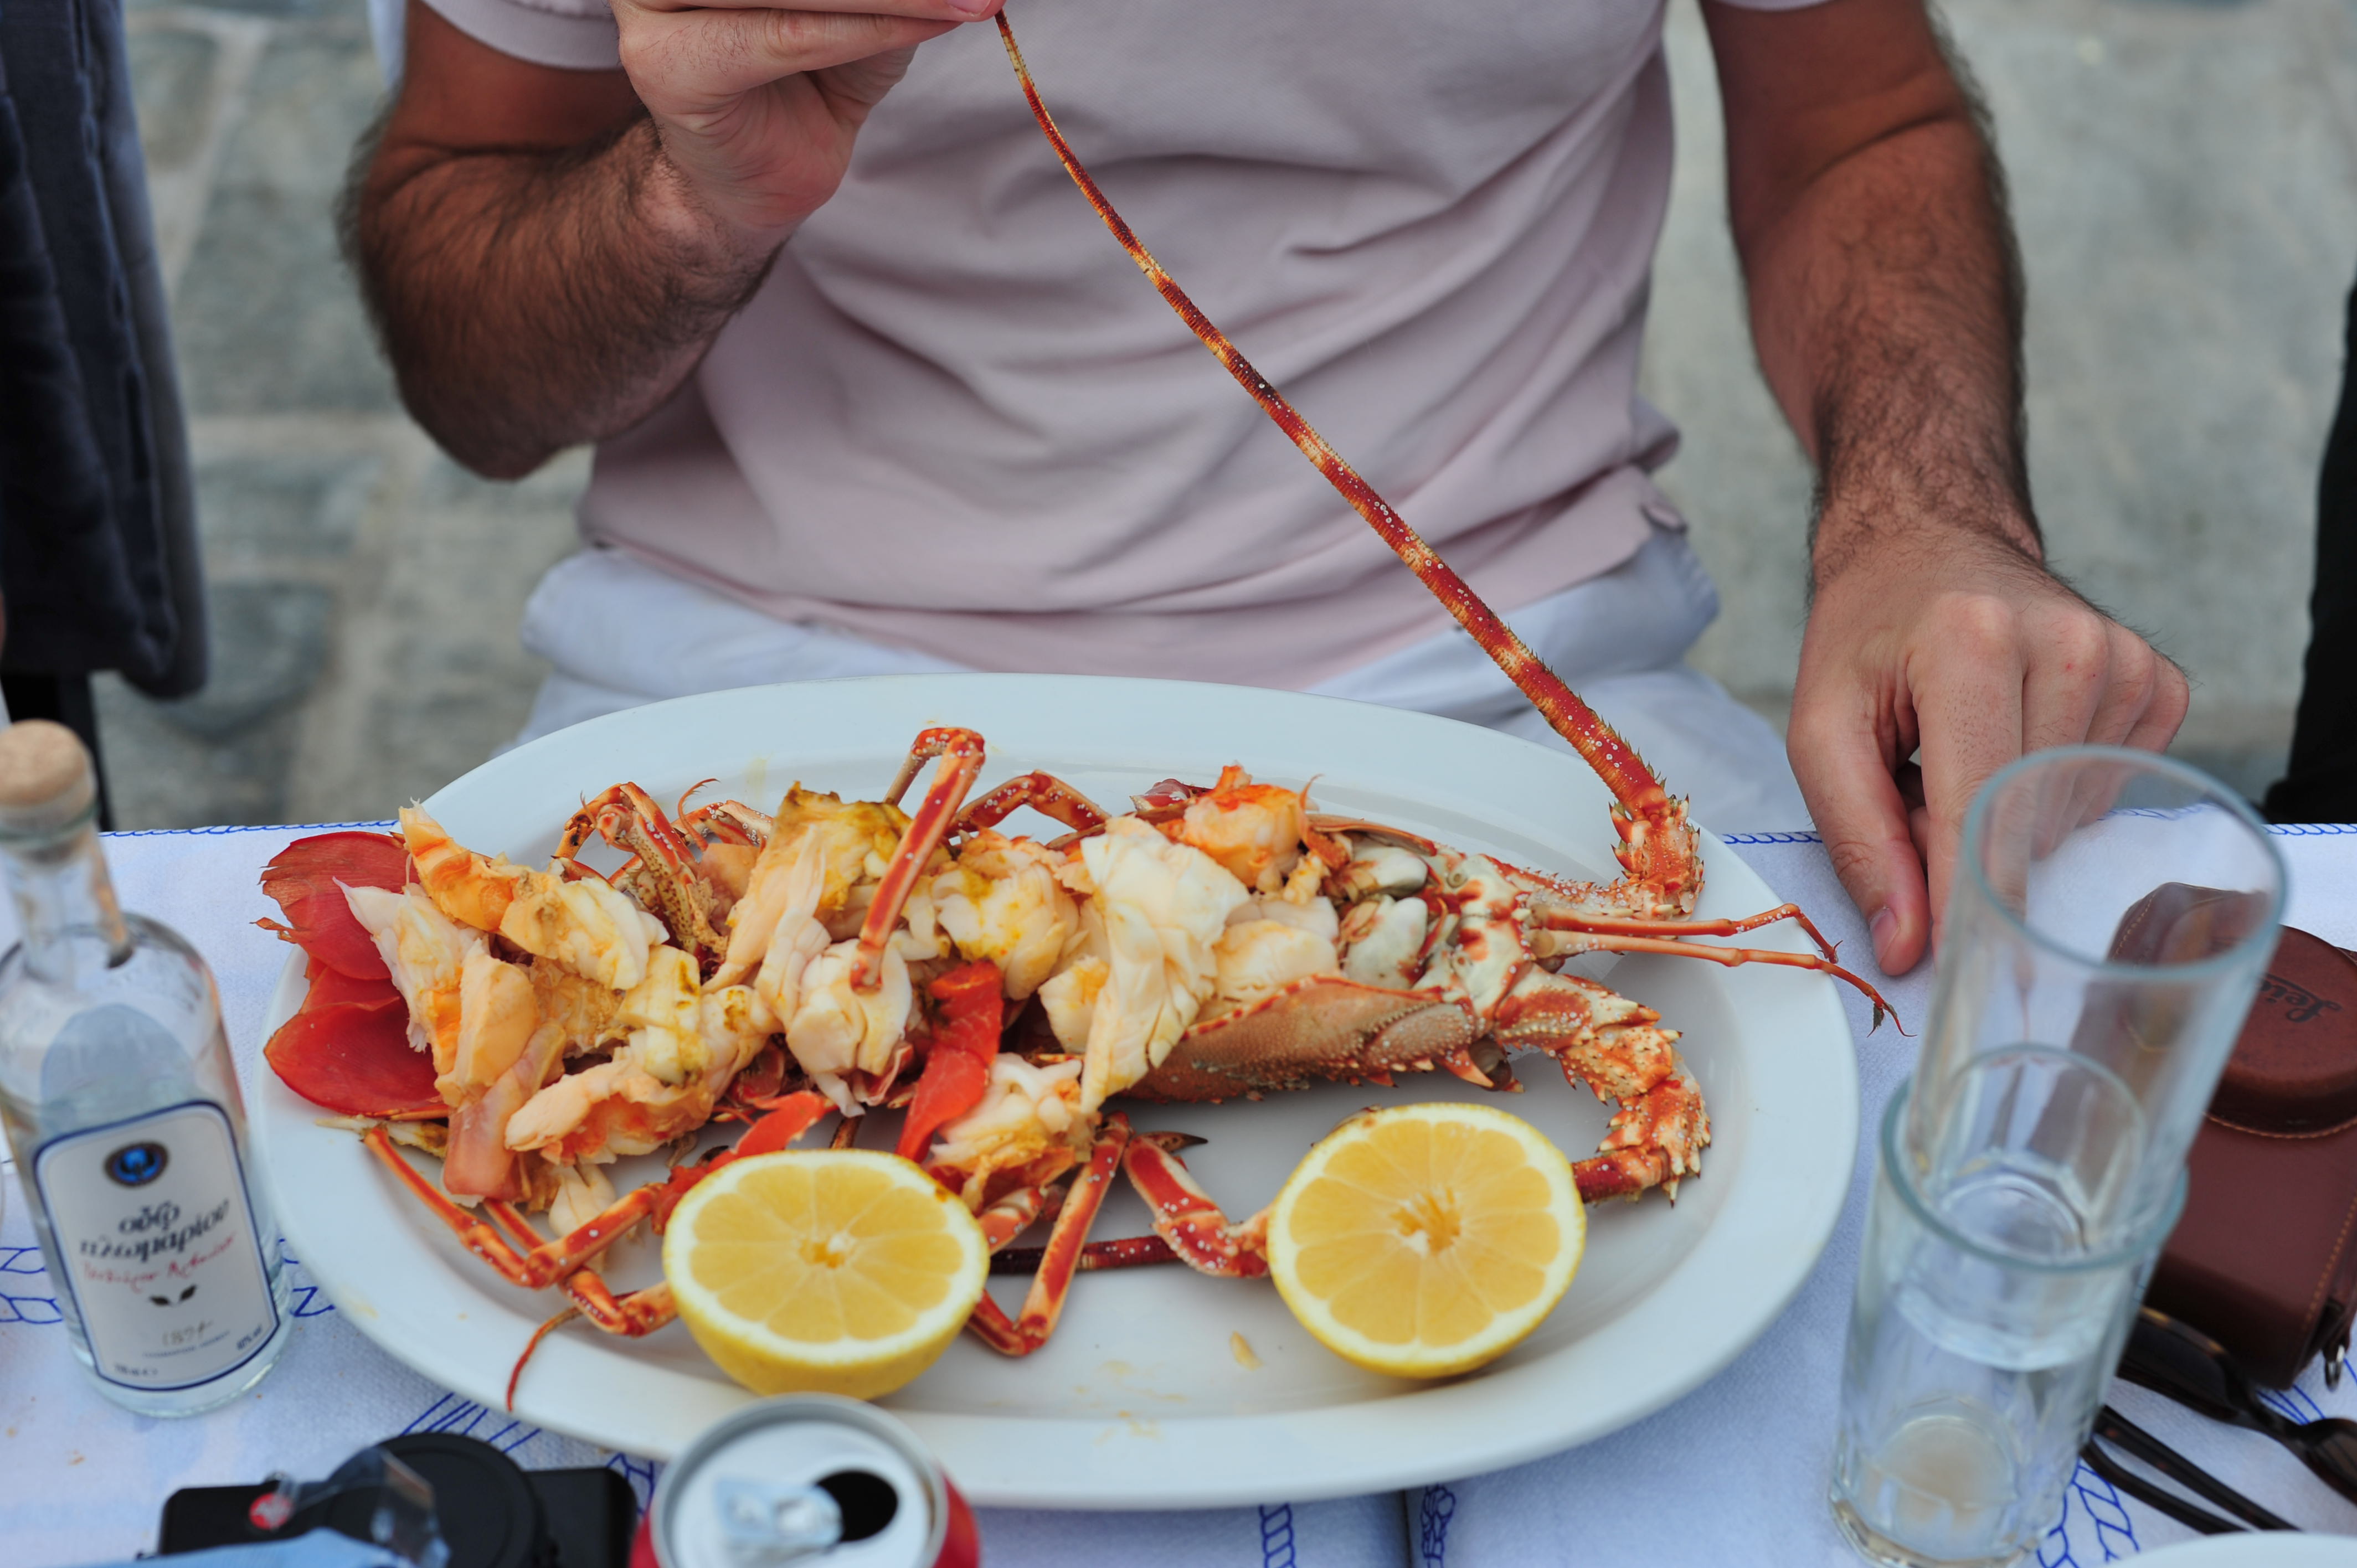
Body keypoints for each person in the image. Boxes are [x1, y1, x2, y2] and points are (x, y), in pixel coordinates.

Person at [344, 0, 2184, 977]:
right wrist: (686, 198)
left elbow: (1856, 114)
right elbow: (473, 374)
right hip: (762, 695)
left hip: (1521, 692)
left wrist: (1924, 515)